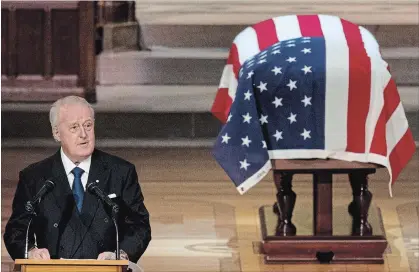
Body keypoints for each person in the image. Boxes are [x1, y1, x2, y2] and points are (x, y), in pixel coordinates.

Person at [3, 96, 151, 265]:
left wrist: (121, 255)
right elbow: (16, 231)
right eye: (74, 127)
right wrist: (30, 252)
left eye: (88, 125)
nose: (83, 134)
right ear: (56, 133)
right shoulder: (34, 177)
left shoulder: (121, 172)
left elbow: (140, 226)